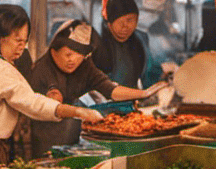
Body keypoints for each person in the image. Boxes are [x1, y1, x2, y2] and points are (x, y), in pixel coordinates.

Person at [0, 5, 102, 165]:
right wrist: (78, 112)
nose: (22, 47)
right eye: (18, 40)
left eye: (25, 41)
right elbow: (32, 103)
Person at [29, 20, 168, 157]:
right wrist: (79, 111)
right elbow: (52, 106)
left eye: (80, 55)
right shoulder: (41, 70)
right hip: (44, 138)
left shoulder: (84, 66)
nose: (73, 60)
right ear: (54, 51)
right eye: (68, 54)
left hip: (72, 136)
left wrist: (144, 93)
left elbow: (110, 89)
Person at [91, 0, 152, 86]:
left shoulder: (141, 39)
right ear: (110, 23)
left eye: (130, 20)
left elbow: (150, 73)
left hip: (132, 96)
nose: (125, 26)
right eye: (120, 21)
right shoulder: (97, 42)